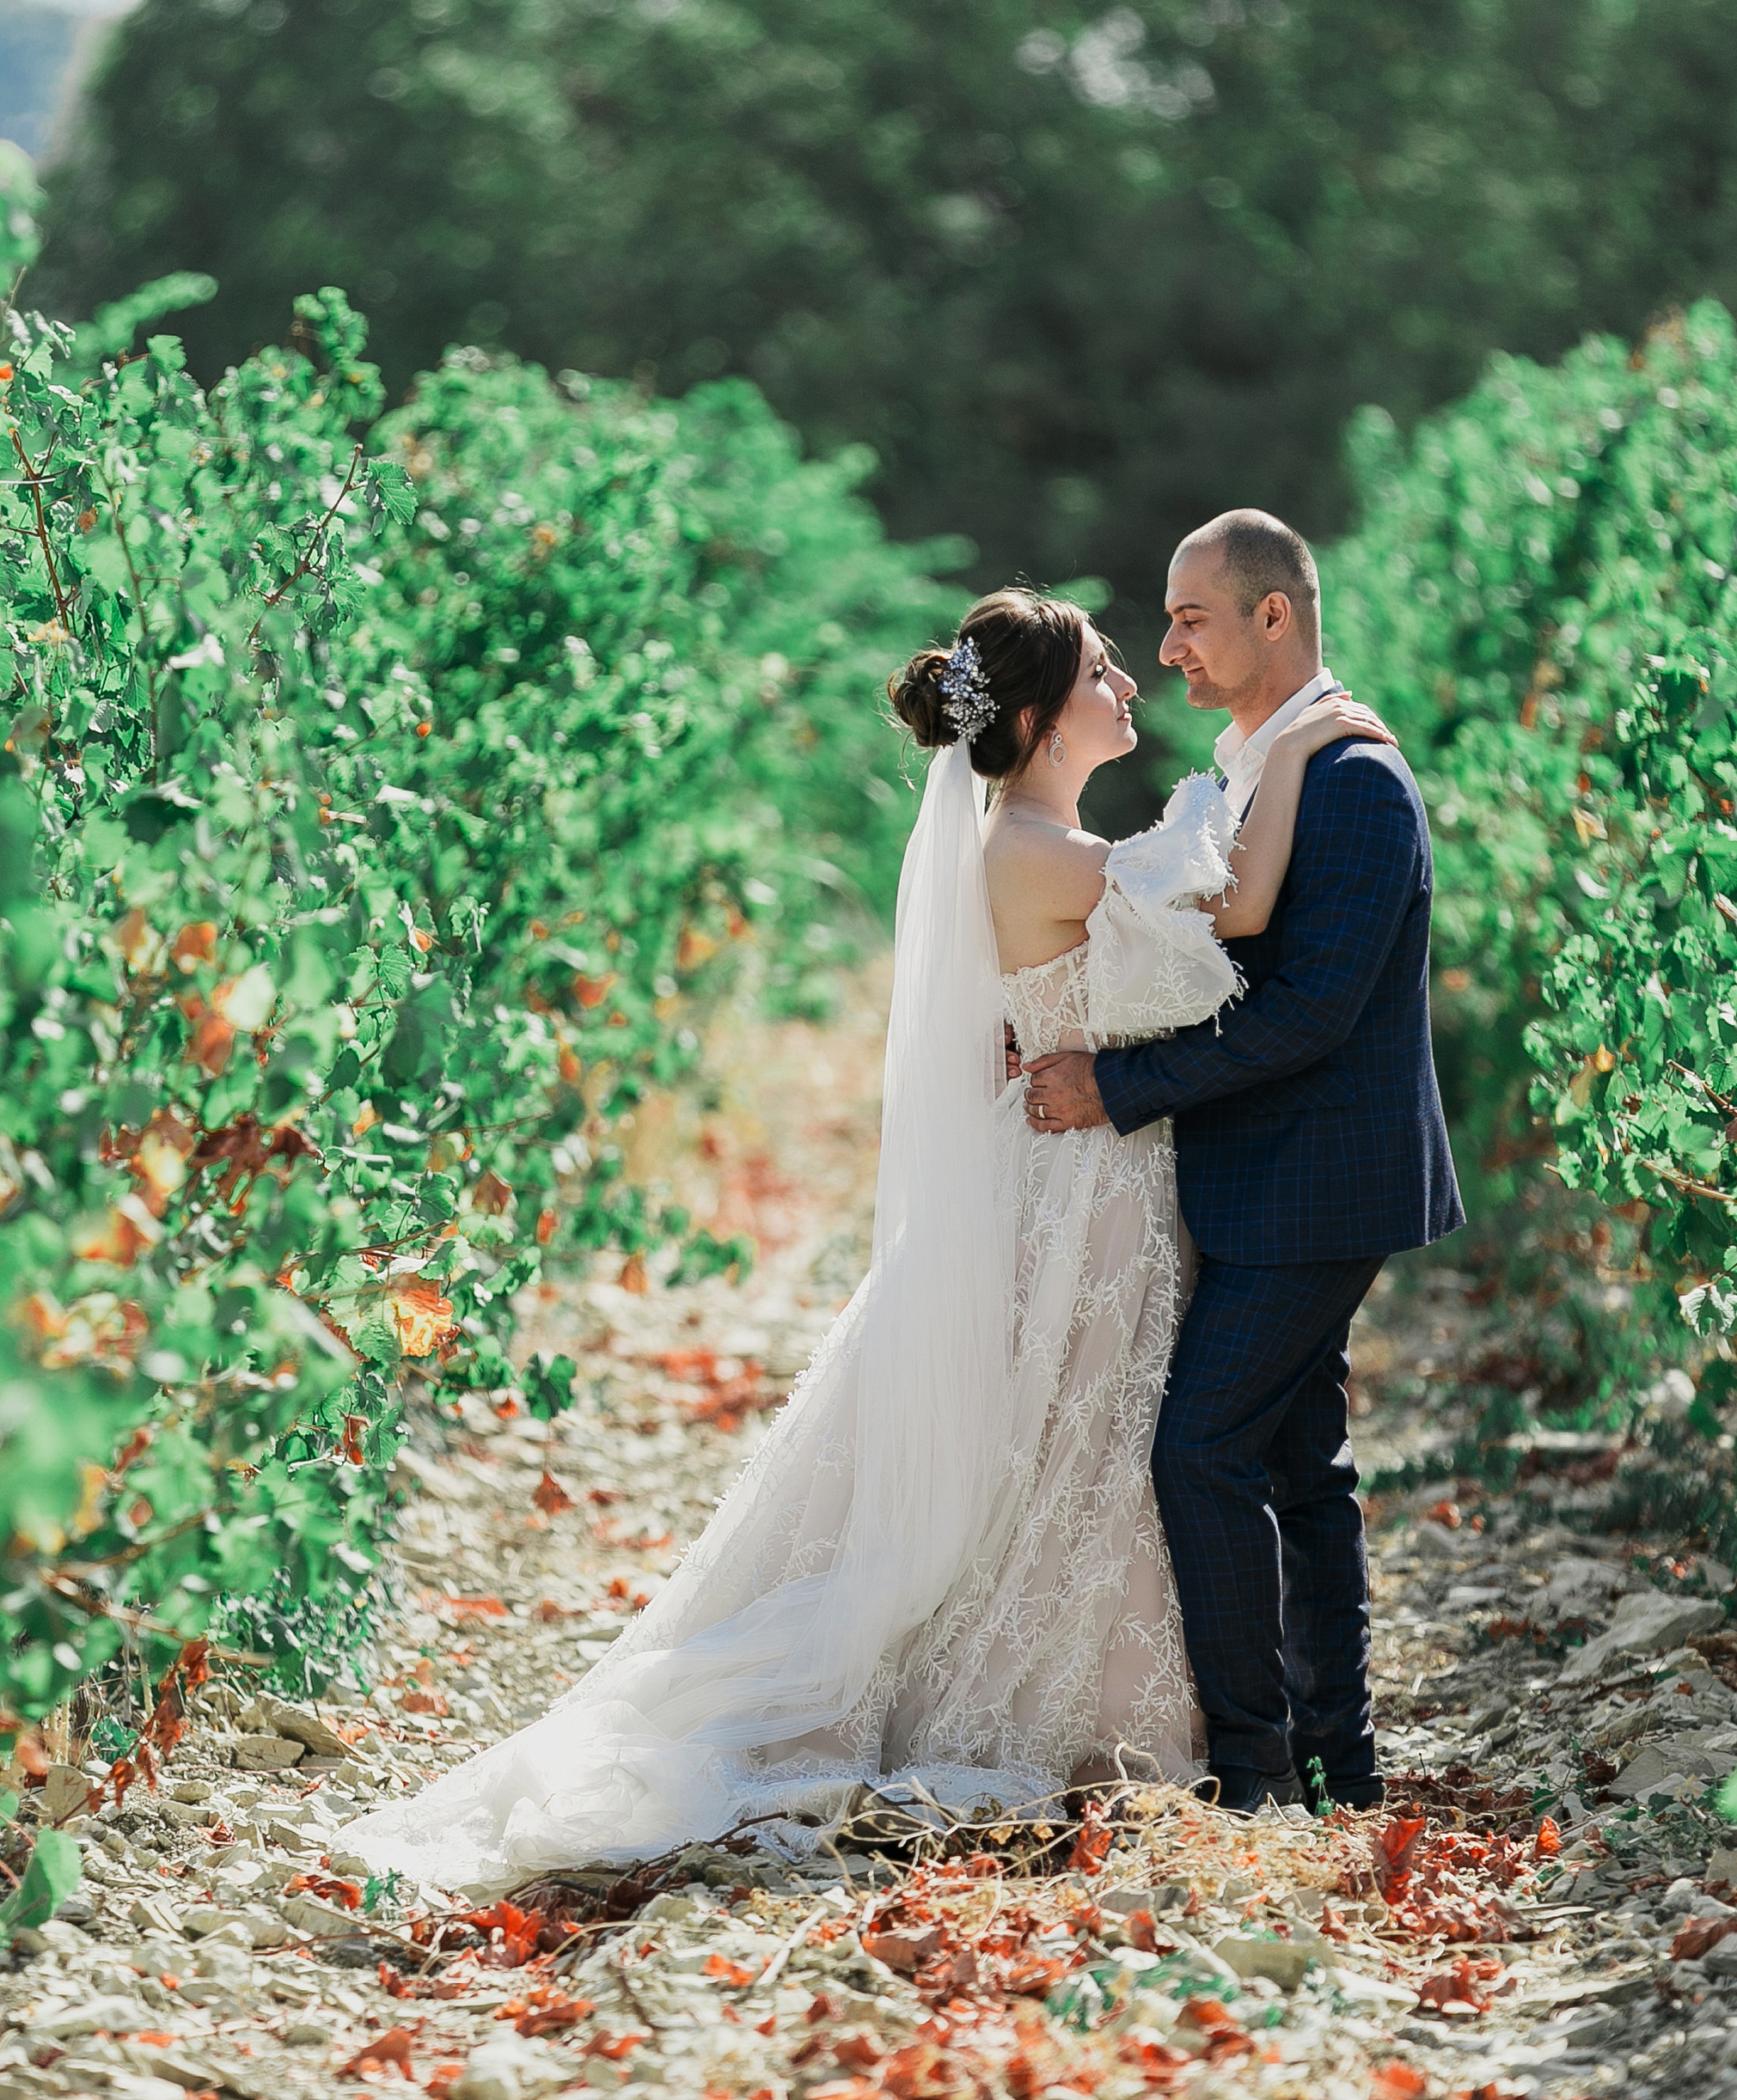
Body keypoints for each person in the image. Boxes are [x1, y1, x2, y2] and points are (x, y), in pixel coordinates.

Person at [336, 582, 1391, 1894]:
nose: (1130, 688)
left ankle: (1168, 1702)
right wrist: (1295, 744)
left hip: (1099, 1179)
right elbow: (1232, 909)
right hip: (1072, 1192)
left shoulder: (1052, 839)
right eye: (1106, 673)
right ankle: (1088, 1706)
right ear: (1042, 712)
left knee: (1080, 1436)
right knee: (1060, 1430)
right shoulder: (1026, 849)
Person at [1024, 510, 1464, 1813]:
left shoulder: (1354, 780)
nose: (1166, 650)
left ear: (1277, 615)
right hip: (1262, 1175)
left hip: (1323, 1180)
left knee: (1198, 1450)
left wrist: (1115, 1085)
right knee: (1295, 1461)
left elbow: (1310, 1011)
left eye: (1191, 617)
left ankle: (1263, 1776)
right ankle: (1338, 1766)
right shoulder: (1266, 759)